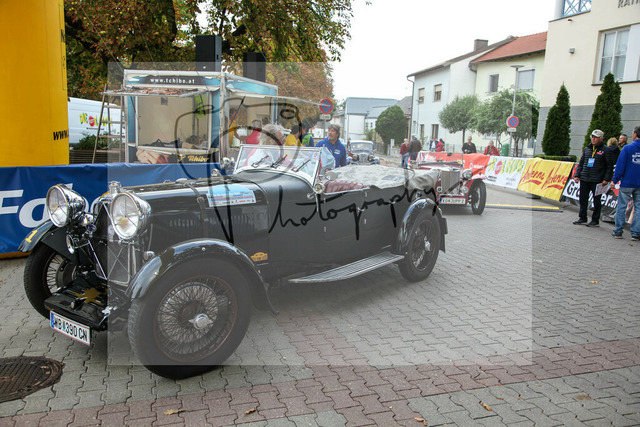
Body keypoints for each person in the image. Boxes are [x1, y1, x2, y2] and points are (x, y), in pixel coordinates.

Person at [573, 129, 615, 227]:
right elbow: (581, 163)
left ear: (601, 138)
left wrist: (606, 179)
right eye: (592, 137)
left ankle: (595, 220)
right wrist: (577, 175)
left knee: (596, 201)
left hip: (597, 180)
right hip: (585, 178)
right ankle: (582, 217)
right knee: (583, 199)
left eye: (596, 137)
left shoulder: (606, 150)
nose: (593, 139)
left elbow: (609, 166)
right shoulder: (587, 149)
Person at [610, 126, 640, 240]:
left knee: (621, 206)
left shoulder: (627, 148)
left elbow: (620, 166)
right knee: (638, 208)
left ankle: (618, 231)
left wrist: (614, 180)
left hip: (627, 182)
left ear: (635, 134)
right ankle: (636, 233)